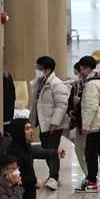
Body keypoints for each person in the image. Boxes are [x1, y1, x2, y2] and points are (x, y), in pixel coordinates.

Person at [76, 56, 100, 192]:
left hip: (97, 125)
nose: (80, 72)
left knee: (91, 153)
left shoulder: (91, 84)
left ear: (87, 69)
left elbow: (91, 107)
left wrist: (85, 126)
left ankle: (92, 182)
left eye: (81, 69)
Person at [28, 57, 69, 191]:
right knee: (46, 149)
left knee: (52, 149)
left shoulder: (56, 84)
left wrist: (55, 123)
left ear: (48, 70)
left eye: (40, 68)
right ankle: (53, 175)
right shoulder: (40, 82)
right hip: (44, 123)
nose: (37, 71)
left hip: (53, 124)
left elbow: (62, 104)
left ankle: (54, 177)